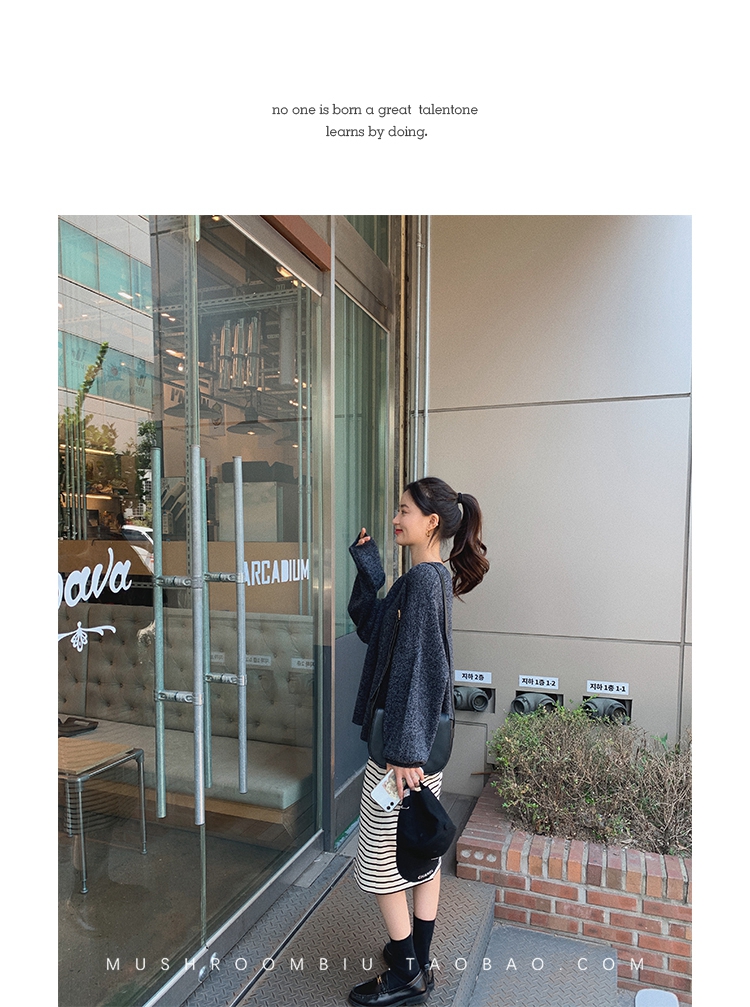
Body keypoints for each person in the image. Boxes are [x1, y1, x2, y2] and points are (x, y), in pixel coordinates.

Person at [346, 477, 489, 1007]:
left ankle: (407, 973)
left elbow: (426, 670)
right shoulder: (424, 579)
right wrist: (370, 572)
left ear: (431, 522)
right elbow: (371, 629)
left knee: (381, 861)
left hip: (403, 754)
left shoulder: (427, 581)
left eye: (404, 510)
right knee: (419, 850)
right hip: (417, 745)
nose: (395, 518)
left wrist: (404, 754)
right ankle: (418, 959)